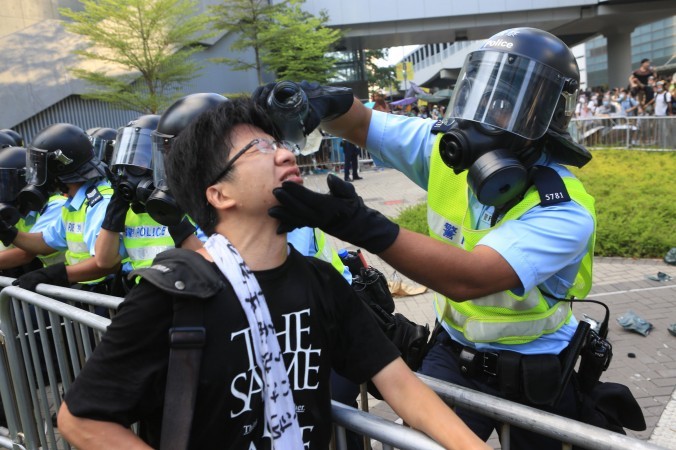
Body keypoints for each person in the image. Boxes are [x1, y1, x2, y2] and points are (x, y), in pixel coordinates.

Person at [257, 28, 628, 450]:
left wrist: (363, 225)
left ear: (544, 119)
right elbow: (361, 124)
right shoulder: (446, 152)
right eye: (481, 94)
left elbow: (470, 277)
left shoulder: (562, 209)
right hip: (453, 355)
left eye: (505, 104)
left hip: (536, 373)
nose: (484, 114)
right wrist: (322, 103)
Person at [57, 97, 488, 450]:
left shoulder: (321, 283)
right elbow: (80, 420)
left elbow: (400, 385)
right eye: (260, 149)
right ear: (219, 193)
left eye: (279, 143)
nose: (285, 153)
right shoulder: (173, 295)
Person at [0, 123, 118, 292]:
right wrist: (8, 232)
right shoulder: (75, 201)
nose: (35, 176)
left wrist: (54, 274)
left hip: (105, 291)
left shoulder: (99, 202)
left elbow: (105, 263)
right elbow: (46, 242)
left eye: (39, 167)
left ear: (59, 167)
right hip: (86, 289)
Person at [94, 115, 204, 294]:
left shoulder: (194, 203)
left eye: (140, 161)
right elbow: (104, 261)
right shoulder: (130, 210)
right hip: (142, 296)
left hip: (182, 296)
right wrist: (116, 209)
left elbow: (208, 263)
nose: (130, 170)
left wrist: (172, 215)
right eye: (128, 160)